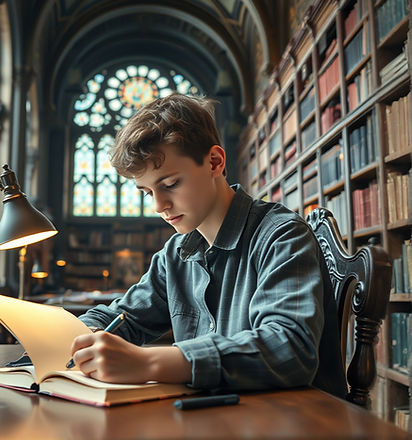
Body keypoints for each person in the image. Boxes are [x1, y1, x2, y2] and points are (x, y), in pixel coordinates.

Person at [72, 94, 346, 397]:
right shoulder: (174, 257)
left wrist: (149, 362)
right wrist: (86, 338)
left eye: (171, 184)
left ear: (214, 162)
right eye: (147, 192)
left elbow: (289, 350)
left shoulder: (282, 235)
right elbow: (120, 317)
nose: (159, 206)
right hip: (216, 418)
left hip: (298, 422)